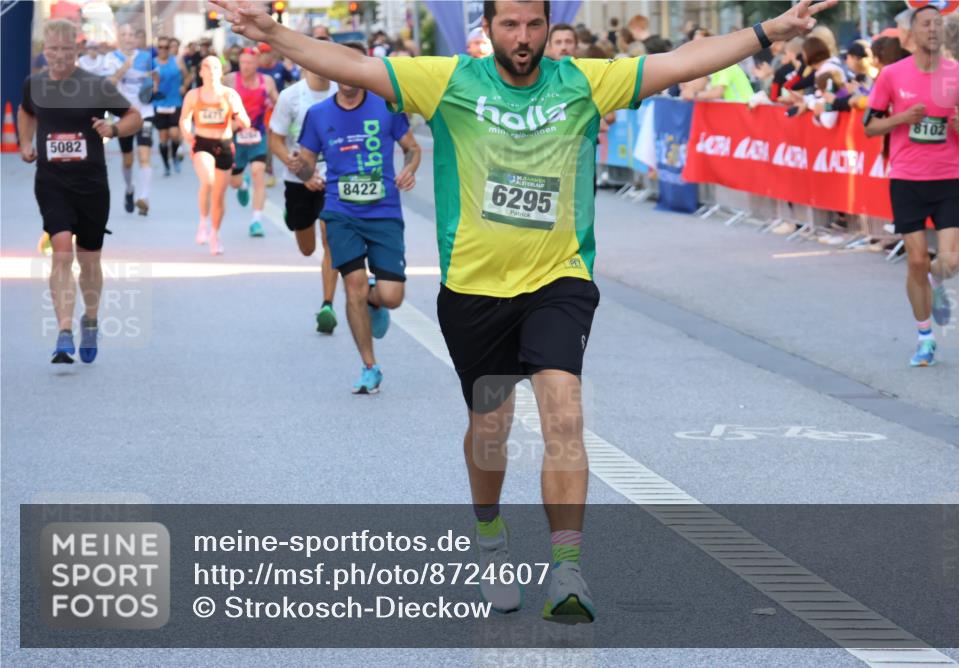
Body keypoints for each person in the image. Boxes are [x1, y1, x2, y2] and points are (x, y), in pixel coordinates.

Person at [219, 0, 835, 624]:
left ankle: (566, 568)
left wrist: (768, 32)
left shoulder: (584, 83)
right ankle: (490, 538)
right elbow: (352, 63)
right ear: (488, 29)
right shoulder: (452, 81)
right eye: (510, 25)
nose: (523, 37)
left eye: (534, 25)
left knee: (564, 411)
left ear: (547, 28)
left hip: (558, 279)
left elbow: (681, 60)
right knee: (491, 432)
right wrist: (272, 32)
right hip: (475, 289)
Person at [291, 41, 421, 393]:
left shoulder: (387, 108)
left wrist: (409, 168)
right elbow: (304, 161)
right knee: (354, 287)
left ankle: (376, 303)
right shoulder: (318, 116)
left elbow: (412, 148)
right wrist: (303, 171)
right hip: (340, 211)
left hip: (384, 212)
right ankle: (369, 365)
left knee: (391, 295)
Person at [19, 19, 142, 363]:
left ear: (77, 50)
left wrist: (114, 128)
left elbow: (134, 116)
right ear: (44, 51)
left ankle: (89, 319)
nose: (58, 55)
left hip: (90, 185)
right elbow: (25, 112)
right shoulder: (34, 84)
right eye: (52, 49)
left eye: (65, 49)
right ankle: (63, 331)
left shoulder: (95, 85)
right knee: (60, 251)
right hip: (51, 182)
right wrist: (26, 142)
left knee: (89, 260)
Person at [864, 5, 959, 367]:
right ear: (912, 34)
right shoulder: (892, 75)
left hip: (946, 177)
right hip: (906, 179)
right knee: (915, 260)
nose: (933, 29)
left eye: (938, 24)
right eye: (926, 24)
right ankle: (925, 337)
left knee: (951, 262)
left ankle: (936, 285)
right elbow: (870, 127)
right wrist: (900, 118)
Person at [269, 41, 341, 334]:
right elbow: (275, 140)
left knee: (330, 238)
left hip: (334, 179)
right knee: (307, 246)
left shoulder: (342, 92)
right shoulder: (291, 97)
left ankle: (327, 305)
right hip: (298, 179)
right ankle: (295, 218)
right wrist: (300, 168)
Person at [179, 55, 251, 255]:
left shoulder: (230, 95)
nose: (211, 71)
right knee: (208, 182)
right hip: (202, 143)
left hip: (225, 144)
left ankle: (215, 233)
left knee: (219, 196)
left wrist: (237, 116)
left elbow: (245, 121)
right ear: (200, 72)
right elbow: (184, 119)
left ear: (221, 72)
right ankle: (203, 221)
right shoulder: (194, 95)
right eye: (207, 67)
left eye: (215, 67)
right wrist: (187, 134)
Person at [223, 47, 278, 238]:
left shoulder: (267, 82)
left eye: (249, 63)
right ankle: (243, 185)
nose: (245, 66)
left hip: (258, 136)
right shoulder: (230, 80)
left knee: (258, 172)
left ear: (257, 64)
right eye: (243, 62)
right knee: (234, 181)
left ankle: (256, 221)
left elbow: (278, 103)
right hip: (235, 138)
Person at [109, 23, 156, 215]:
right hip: (124, 115)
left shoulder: (146, 57)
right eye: (124, 34)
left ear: (136, 38)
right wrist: (124, 67)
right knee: (128, 161)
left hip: (145, 112)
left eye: (131, 34)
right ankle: (130, 189)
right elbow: (110, 83)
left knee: (144, 156)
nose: (128, 38)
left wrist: (153, 83)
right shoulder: (111, 58)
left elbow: (155, 77)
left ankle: (143, 198)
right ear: (118, 37)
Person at [153, 35, 188, 177]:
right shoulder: (152, 63)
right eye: (160, 47)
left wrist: (184, 86)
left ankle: (173, 156)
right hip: (159, 104)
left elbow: (188, 75)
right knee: (163, 137)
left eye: (166, 47)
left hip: (175, 102)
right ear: (157, 48)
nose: (163, 50)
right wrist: (152, 87)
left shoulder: (177, 61)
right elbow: (146, 82)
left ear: (170, 48)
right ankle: (166, 165)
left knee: (174, 135)